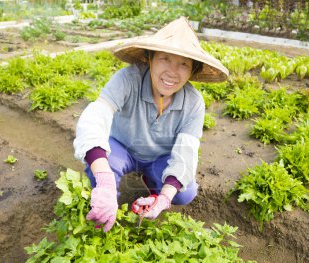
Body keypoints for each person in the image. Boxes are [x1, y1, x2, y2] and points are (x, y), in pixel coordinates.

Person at [73, 16, 229, 232]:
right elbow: (96, 116)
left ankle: (151, 184)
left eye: (183, 64)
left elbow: (187, 153)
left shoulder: (193, 103)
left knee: (184, 192)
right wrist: (104, 180)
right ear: (149, 58)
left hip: (158, 158)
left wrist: (164, 198)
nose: (172, 72)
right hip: (122, 147)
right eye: (165, 58)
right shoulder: (128, 79)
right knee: (98, 168)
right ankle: (106, 198)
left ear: (193, 70)